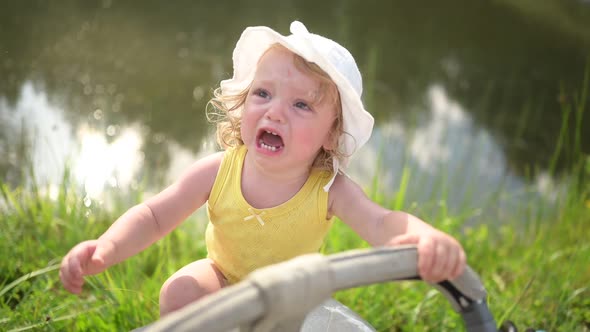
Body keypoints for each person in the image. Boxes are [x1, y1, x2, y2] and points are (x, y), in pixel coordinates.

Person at [59, 21, 466, 317]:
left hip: (291, 295)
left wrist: (423, 236)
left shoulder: (329, 190)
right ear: (244, 102)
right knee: (180, 292)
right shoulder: (218, 170)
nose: (275, 111)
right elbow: (154, 215)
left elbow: (382, 223)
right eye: (263, 93)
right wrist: (106, 248)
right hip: (222, 277)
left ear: (332, 133)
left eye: (301, 104)